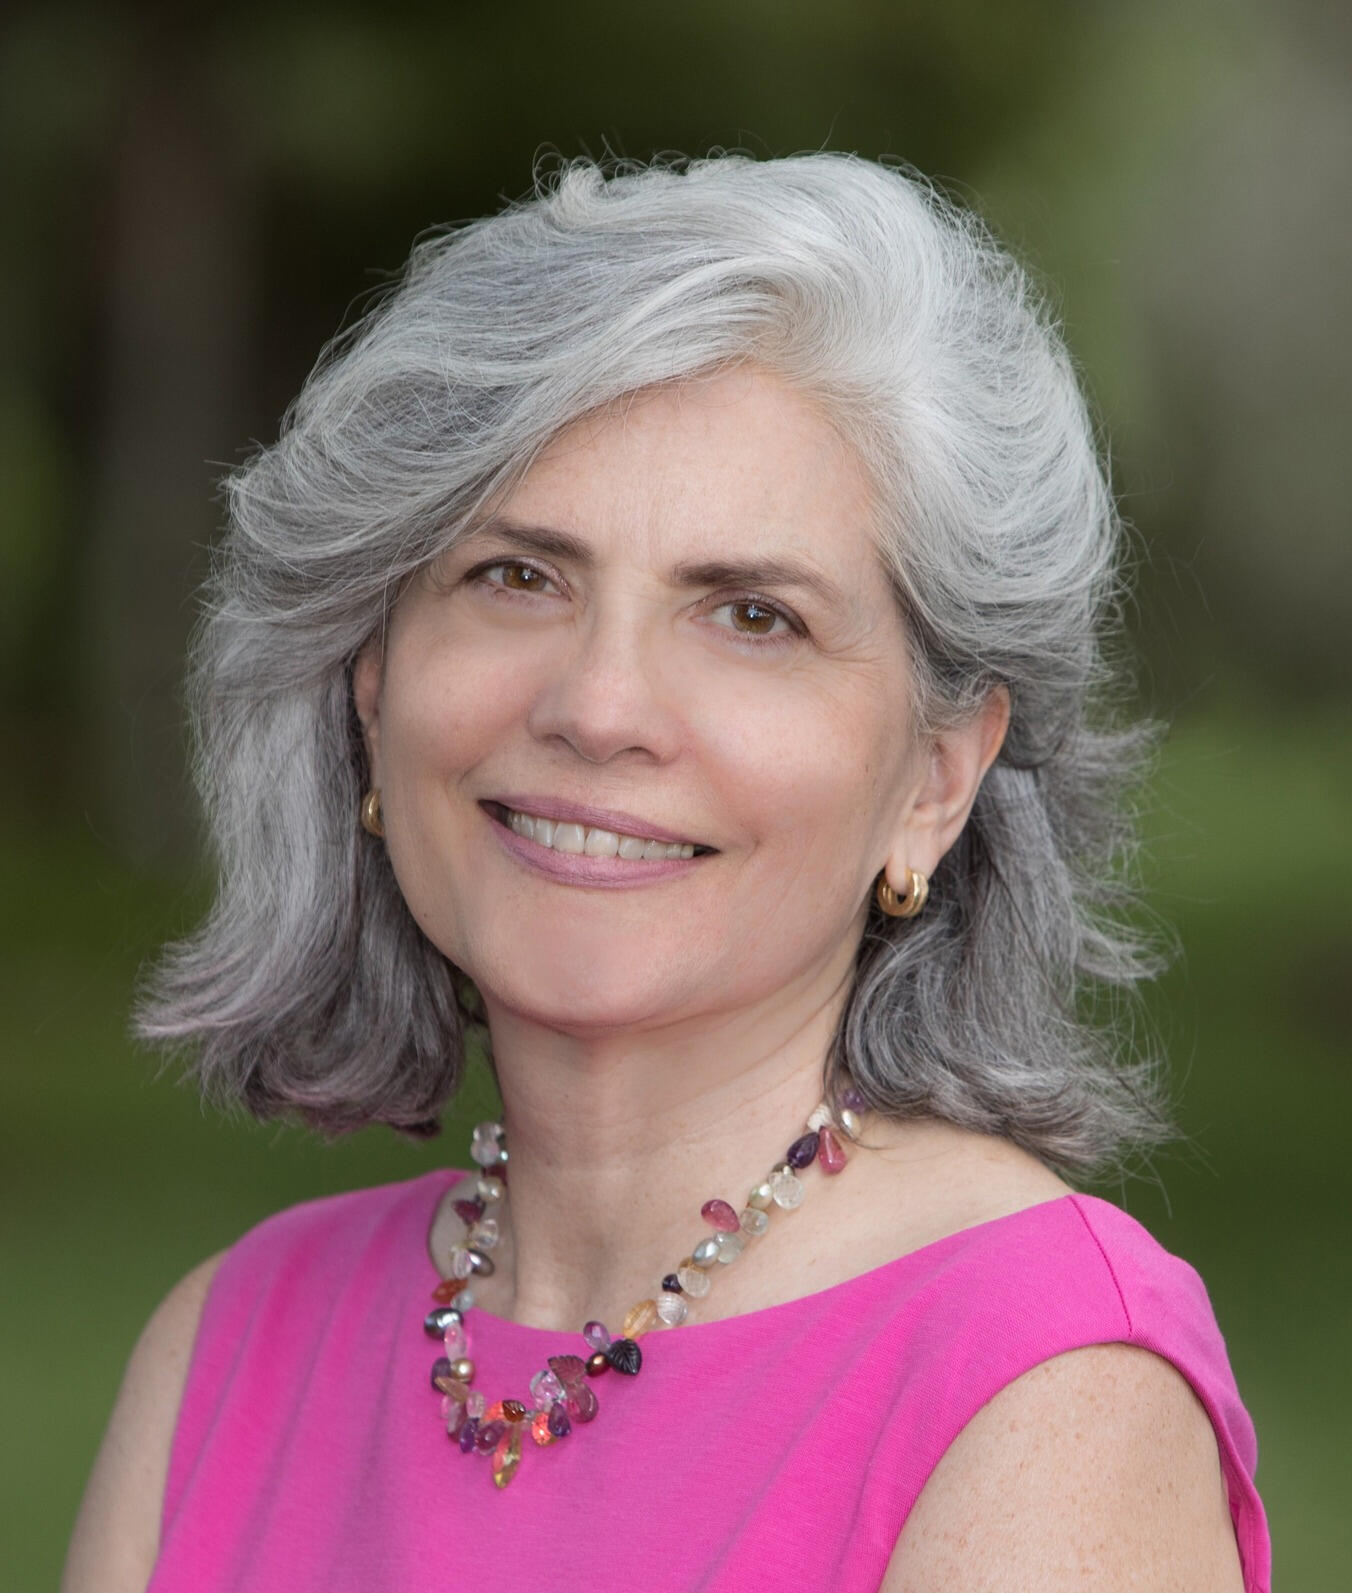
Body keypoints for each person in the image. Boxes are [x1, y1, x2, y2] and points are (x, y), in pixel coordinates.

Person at [62, 153, 1270, 1592]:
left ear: (937, 777)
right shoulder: (227, 1345)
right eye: (518, 575)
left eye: (752, 614)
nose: (599, 703)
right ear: (372, 682)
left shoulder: (1044, 1382)